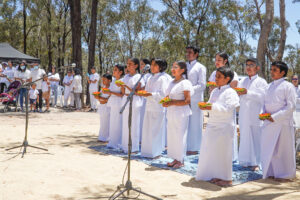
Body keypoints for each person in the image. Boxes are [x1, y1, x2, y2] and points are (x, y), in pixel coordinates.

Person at [196, 67, 240, 187]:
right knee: (212, 151)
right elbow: (211, 105)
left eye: (219, 76)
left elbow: (228, 109)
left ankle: (227, 179)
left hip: (224, 126)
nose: (216, 78)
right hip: (212, 124)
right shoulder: (215, 91)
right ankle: (215, 174)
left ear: (227, 79)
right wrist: (205, 107)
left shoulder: (231, 92)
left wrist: (211, 107)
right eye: (216, 76)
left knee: (223, 153)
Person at [260, 61, 296, 182]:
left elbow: (291, 106)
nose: (272, 72)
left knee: (282, 149)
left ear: (282, 72)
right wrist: (263, 113)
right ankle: (271, 172)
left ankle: (285, 175)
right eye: (271, 69)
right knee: (270, 149)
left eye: (275, 70)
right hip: (269, 122)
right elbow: (264, 103)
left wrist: (275, 116)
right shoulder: (268, 86)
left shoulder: (288, 86)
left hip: (282, 122)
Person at [237, 58, 268, 171]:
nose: (248, 67)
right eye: (247, 65)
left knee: (256, 138)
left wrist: (248, 92)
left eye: (251, 65)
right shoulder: (243, 81)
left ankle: (256, 163)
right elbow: (238, 96)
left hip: (255, 114)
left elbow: (263, 97)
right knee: (245, 137)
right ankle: (245, 160)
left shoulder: (262, 82)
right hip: (244, 114)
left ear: (257, 68)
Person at [208, 52, 239, 161]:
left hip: (225, 103)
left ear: (225, 61)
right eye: (215, 60)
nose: (216, 62)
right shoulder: (213, 73)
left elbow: (232, 87)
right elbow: (211, 86)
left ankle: (230, 157)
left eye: (219, 60)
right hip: (214, 99)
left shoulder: (232, 73)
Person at [162, 61, 194, 168]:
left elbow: (187, 101)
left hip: (181, 113)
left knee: (180, 135)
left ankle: (181, 160)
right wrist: (165, 102)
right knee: (172, 135)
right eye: (172, 67)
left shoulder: (185, 83)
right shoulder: (171, 82)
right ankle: (175, 158)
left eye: (176, 67)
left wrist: (172, 102)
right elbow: (167, 96)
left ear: (182, 70)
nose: (173, 69)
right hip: (171, 112)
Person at [137, 58, 169, 158]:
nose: (152, 67)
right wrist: (144, 93)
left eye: (154, 65)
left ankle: (156, 152)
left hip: (158, 107)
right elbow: (146, 90)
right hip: (149, 106)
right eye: (151, 64)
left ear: (161, 67)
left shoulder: (163, 78)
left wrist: (150, 94)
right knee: (147, 129)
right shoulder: (150, 78)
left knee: (156, 131)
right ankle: (147, 152)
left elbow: (163, 94)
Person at [118, 58, 145, 153]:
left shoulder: (139, 77)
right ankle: (125, 146)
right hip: (125, 99)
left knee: (133, 124)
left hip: (134, 100)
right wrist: (121, 86)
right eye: (127, 64)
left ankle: (133, 147)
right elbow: (122, 92)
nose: (128, 65)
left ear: (136, 66)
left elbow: (137, 91)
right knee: (125, 124)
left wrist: (125, 86)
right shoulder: (125, 77)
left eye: (130, 64)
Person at [185, 46, 207, 154]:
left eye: (190, 52)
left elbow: (202, 85)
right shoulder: (184, 66)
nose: (188, 54)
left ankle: (194, 148)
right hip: (184, 99)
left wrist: (189, 90)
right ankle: (185, 146)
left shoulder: (200, 67)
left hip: (195, 99)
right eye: (187, 52)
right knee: (185, 122)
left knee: (195, 123)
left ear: (196, 54)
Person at [105, 64, 125, 148]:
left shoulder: (122, 80)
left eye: (115, 70)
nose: (113, 71)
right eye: (113, 69)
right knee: (112, 122)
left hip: (118, 103)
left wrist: (111, 93)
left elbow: (122, 94)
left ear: (120, 72)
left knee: (118, 122)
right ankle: (112, 141)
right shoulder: (113, 81)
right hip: (112, 102)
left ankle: (118, 142)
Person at [97, 73, 112, 142]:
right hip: (102, 107)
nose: (103, 81)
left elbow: (109, 98)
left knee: (107, 122)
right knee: (102, 122)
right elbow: (99, 96)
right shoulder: (103, 88)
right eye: (102, 80)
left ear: (109, 80)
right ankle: (102, 136)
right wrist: (98, 97)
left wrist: (104, 99)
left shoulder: (111, 88)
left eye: (104, 80)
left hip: (107, 107)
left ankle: (107, 137)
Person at [139, 58, 151, 142]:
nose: (141, 66)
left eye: (142, 64)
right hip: (140, 99)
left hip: (146, 99)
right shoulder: (141, 75)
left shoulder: (150, 76)